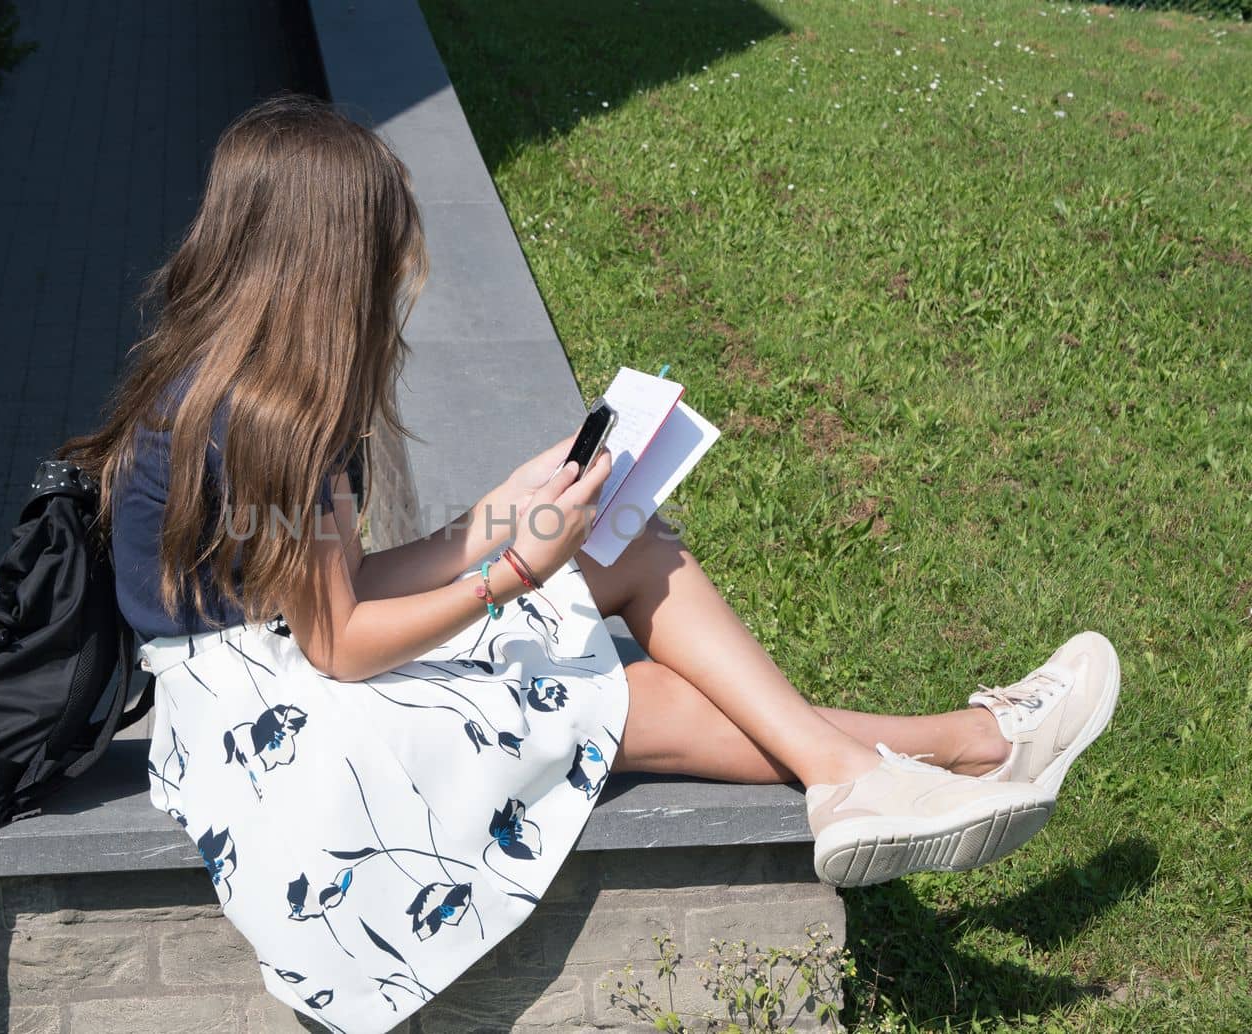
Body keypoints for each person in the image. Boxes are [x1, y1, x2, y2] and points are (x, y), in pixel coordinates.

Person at [57, 94, 1121, 1034]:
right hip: (277, 731)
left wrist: (496, 518)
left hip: (265, 673)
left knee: (631, 548)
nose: (392, 279)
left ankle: (894, 767)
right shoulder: (272, 414)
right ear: (331, 259)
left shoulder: (223, 378)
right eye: (382, 253)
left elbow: (325, 597)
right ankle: (966, 746)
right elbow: (337, 643)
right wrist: (512, 573)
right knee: (617, 691)